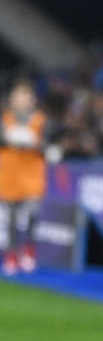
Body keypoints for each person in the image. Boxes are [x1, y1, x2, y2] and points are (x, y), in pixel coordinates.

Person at [0, 80, 48, 275]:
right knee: (10, 218)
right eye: (18, 98)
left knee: (30, 216)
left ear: (32, 100)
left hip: (31, 176)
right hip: (9, 176)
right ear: (12, 100)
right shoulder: (5, 119)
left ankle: (28, 252)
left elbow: (46, 146)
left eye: (25, 98)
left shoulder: (40, 120)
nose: (21, 102)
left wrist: (32, 142)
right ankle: (11, 255)